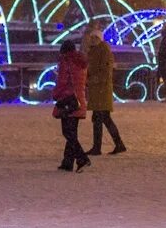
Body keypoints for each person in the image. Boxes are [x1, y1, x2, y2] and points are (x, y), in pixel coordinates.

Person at [84, 21, 125, 155]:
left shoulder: (104, 50)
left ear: (100, 39)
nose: (93, 39)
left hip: (101, 89)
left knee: (98, 119)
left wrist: (93, 80)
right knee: (104, 119)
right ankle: (118, 144)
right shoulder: (93, 50)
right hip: (97, 90)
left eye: (96, 37)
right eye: (92, 37)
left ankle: (98, 147)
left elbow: (105, 70)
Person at [52, 40, 90, 171]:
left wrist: (55, 94)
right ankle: (67, 162)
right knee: (72, 132)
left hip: (68, 100)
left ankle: (82, 158)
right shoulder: (81, 62)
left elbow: (62, 81)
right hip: (78, 100)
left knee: (67, 132)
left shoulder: (66, 61)